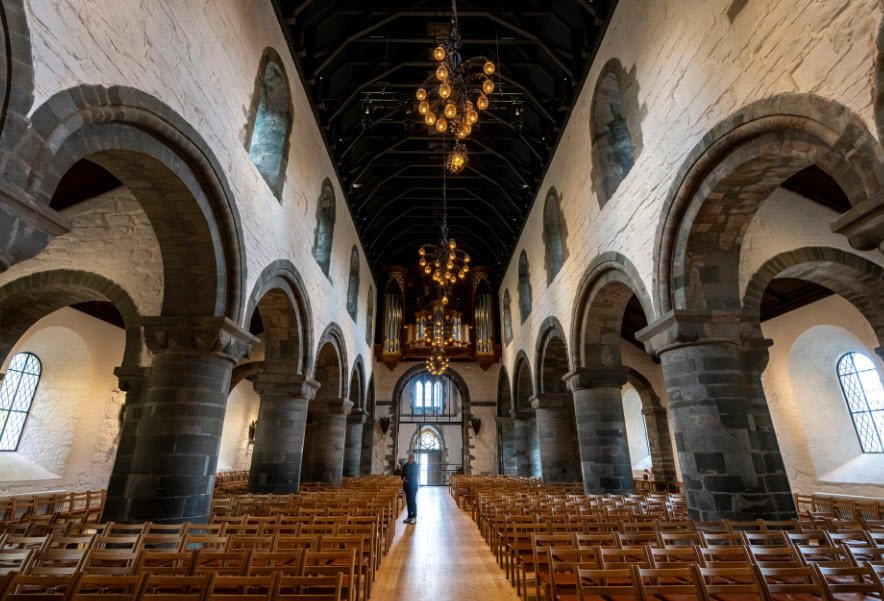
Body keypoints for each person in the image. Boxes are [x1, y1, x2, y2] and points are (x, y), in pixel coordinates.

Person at [400, 453, 419, 523]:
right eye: (409, 457)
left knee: (412, 500)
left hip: (413, 486)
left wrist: (408, 479)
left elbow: (415, 475)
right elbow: (402, 475)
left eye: (412, 457)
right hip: (406, 486)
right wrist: (403, 479)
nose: (410, 458)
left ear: (413, 458)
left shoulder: (415, 465)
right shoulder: (405, 465)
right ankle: (409, 516)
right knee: (408, 501)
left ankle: (414, 516)